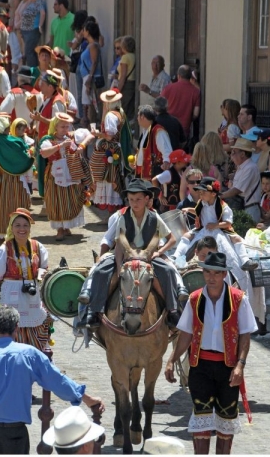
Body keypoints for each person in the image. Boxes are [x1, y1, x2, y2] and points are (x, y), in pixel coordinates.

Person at [0, 306, 104, 455]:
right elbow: (56, 379)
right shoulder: (29, 354)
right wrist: (87, 398)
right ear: (17, 328)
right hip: (15, 434)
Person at [164, 252, 257, 455]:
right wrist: (171, 360)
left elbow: (245, 335)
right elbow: (186, 333)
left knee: (226, 420)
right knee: (201, 418)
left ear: (224, 274)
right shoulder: (194, 299)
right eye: (207, 272)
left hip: (228, 368)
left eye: (216, 273)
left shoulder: (239, 299)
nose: (211, 277)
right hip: (201, 367)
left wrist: (240, 365)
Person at [76, 178, 184, 329]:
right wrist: (120, 266)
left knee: (167, 271)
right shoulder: (122, 217)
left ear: (147, 199)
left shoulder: (154, 217)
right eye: (132, 199)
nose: (135, 203)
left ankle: (173, 310)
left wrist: (158, 252)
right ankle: (94, 311)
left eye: (139, 199)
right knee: (101, 271)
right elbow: (120, 244)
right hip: (126, 256)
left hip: (149, 256)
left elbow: (171, 239)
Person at [0, 209, 55, 353]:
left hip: (32, 297)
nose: (22, 229)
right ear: (11, 227)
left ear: (30, 228)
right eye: (17, 225)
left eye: (25, 225)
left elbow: (45, 269)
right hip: (11, 296)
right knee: (11, 329)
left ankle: (34, 361)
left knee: (37, 330)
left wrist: (41, 274)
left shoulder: (38, 247)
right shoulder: (5, 249)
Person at [173, 176, 258, 272]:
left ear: (213, 193)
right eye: (200, 193)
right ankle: (176, 256)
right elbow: (197, 211)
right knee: (187, 235)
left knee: (236, 238)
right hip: (203, 229)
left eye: (203, 193)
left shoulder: (223, 206)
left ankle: (244, 260)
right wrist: (188, 209)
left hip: (220, 230)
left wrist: (215, 225)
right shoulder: (202, 203)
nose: (201, 195)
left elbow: (228, 222)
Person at [37, 112, 92, 241]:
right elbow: (44, 154)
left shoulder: (72, 136)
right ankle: (60, 229)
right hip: (56, 174)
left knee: (71, 198)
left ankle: (67, 226)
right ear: (55, 127)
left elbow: (89, 134)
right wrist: (61, 146)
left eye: (67, 126)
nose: (65, 129)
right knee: (57, 200)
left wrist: (82, 145)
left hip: (72, 171)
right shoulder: (48, 139)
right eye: (62, 127)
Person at [0, 115, 34, 246]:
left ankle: (1, 237)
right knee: (16, 204)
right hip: (15, 179)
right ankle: (15, 237)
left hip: (2, 179)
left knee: (1, 205)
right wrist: (31, 152)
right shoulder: (10, 141)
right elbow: (22, 155)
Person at [84, 88, 133, 212]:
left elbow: (109, 135)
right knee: (110, 176)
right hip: (115, 148)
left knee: (106, 176)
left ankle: (109, 207)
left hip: (109, 149)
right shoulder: (119, 112)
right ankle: (112, 206)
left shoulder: (110, 116)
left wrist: (97, 134)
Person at [221, 138, 261, 223]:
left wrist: (220, 195)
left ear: (242, 154)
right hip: (243, 207)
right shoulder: (242, 167)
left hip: (250, 209)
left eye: (234, 152)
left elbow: (237, 189)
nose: (232, 155)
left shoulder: (250, 167)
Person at [134, 104, 173, 180]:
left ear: (142, 117)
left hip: (153, 175)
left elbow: (167, 152)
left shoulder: (158, 132)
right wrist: (136, 161)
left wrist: (166, 163)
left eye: (138, 116)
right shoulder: (145, 131)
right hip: (142, 174)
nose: (137, 119)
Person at [159, 64, 200, 138]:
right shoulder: (196, 91)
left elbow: (159, 105)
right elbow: (196, 114)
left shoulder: (168, 88)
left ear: (178, 76)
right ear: (190, 77)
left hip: (167, 126)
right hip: (184, 129)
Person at [31, 70, 67, 142]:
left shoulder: (57, 102)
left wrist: (41, 119)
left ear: (50, 87)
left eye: (43, 84)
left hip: (52, 142)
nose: (40, 86)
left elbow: (58, 123)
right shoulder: (48, 98)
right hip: (44, 140)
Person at [81, 21, 103, 124]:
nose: (83, 32)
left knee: (92, 104)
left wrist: (90, 78)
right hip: (87, 76)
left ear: (88, 31)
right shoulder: (89, 45)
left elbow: (94, 62)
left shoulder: (93, 45)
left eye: (84, 30)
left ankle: (93, 127)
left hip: (92, 77)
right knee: (89, 103)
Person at [18, 0, 44, 67]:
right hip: (25, 31)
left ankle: (32, 71)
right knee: (30, 52)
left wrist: (40, 25)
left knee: (28, 51)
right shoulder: (29, 2)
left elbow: (43, 13)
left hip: (32, 30)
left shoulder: (38, 2)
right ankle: (35, 70)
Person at [116, 35, 137, 123]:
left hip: (126, 84)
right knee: (130, 108)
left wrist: (118, 90)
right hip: (132, 83)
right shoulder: (134, 56)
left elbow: (123, 75)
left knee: (123, 108)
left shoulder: (125, 57)